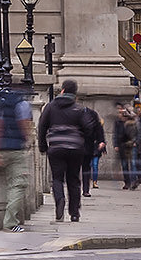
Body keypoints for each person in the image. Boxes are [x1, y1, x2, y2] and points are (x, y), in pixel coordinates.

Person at [37, 79, 102, 224]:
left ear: (62, 90)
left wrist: (43, 146)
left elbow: (42, 126)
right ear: (75, 93)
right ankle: (74, 213)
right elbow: (88, 128)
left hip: (56, 148)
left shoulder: (50, 107)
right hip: (75, 149)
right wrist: (83, 142)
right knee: (73, 180)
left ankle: (60, 201)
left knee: (57, 178)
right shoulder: (79, 109)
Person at [0, 84, 37, 231]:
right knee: (18, 184)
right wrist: (27, 140)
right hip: (15, 149)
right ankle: (10, 223)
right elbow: (24, 125)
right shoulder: (21, 104)